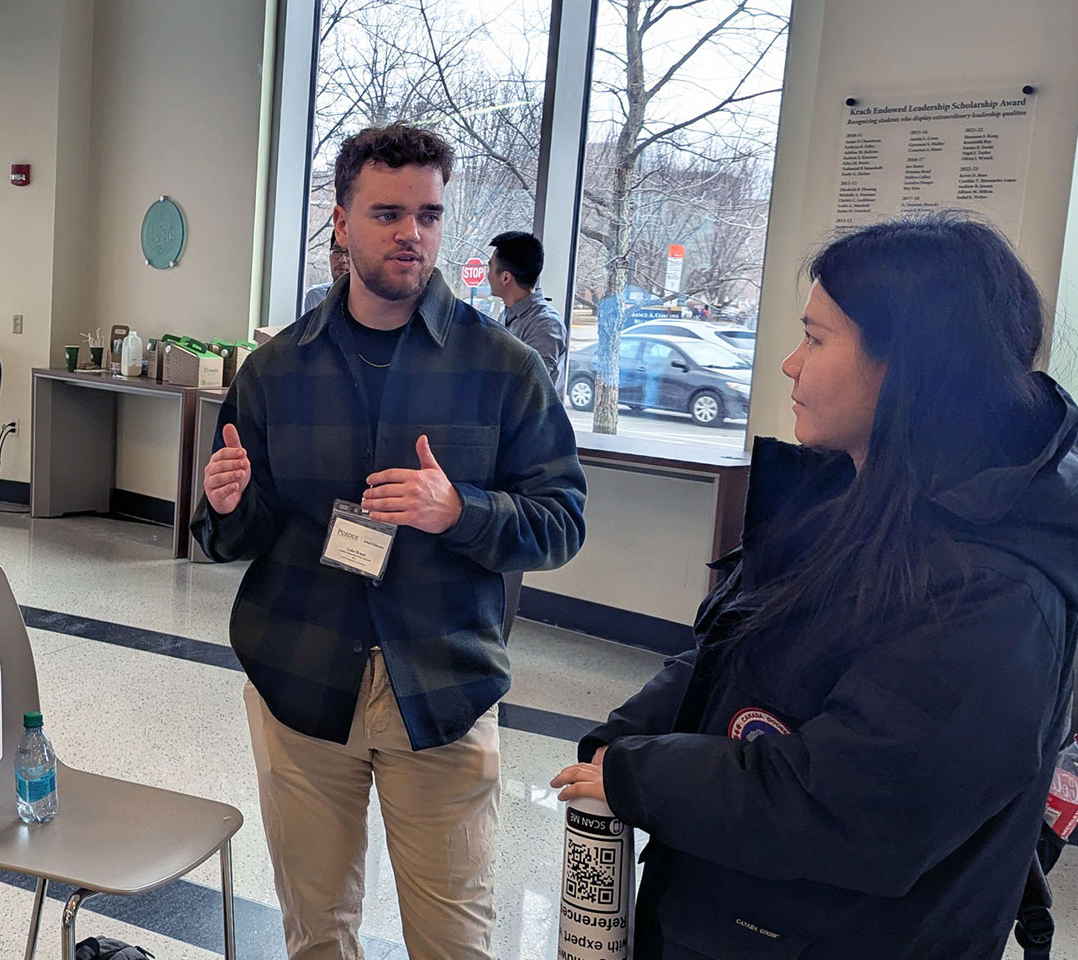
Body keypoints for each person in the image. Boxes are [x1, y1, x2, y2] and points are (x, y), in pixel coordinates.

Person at [553, 214, 1078, 959]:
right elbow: (746, 647)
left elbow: (846, 804)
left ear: (911, 369)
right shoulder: (858, 495)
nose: (791, 365)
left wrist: (641, 775)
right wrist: (632, 730)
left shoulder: (995, 596)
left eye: (817, 338)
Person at [194, 123, 587, 960]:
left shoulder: (503, 369)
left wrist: (461, 511)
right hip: (300, 683)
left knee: (455, 940)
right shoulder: (276, 371)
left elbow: (562, 520)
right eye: (387, 214)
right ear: (341, 222)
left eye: (429, 215)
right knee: (317, 934)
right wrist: (228, 505)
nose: (411, 233)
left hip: (440, 687)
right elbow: (237, 537)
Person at [486, 230, 567, 392]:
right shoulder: (507, 314)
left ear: (505, 278)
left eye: (490, 268)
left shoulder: (546, 325)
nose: (487, 276)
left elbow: (532, 388)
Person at [300, 240, 351, 316]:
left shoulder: (369, 302)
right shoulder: (316, 297)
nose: (342, 260)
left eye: (349, 253)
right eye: (336, 251)